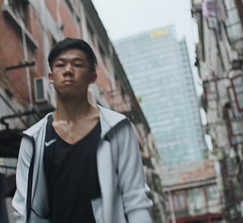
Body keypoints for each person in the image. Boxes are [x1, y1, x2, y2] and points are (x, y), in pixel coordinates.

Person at [12, 38, 153, 223]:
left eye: (77, 65)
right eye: (60, 65)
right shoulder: (33, 139)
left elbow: (135, 199)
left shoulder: (118, 129)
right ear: (51, 77)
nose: (68, 70)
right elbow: (23, 210)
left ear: (92, 77)